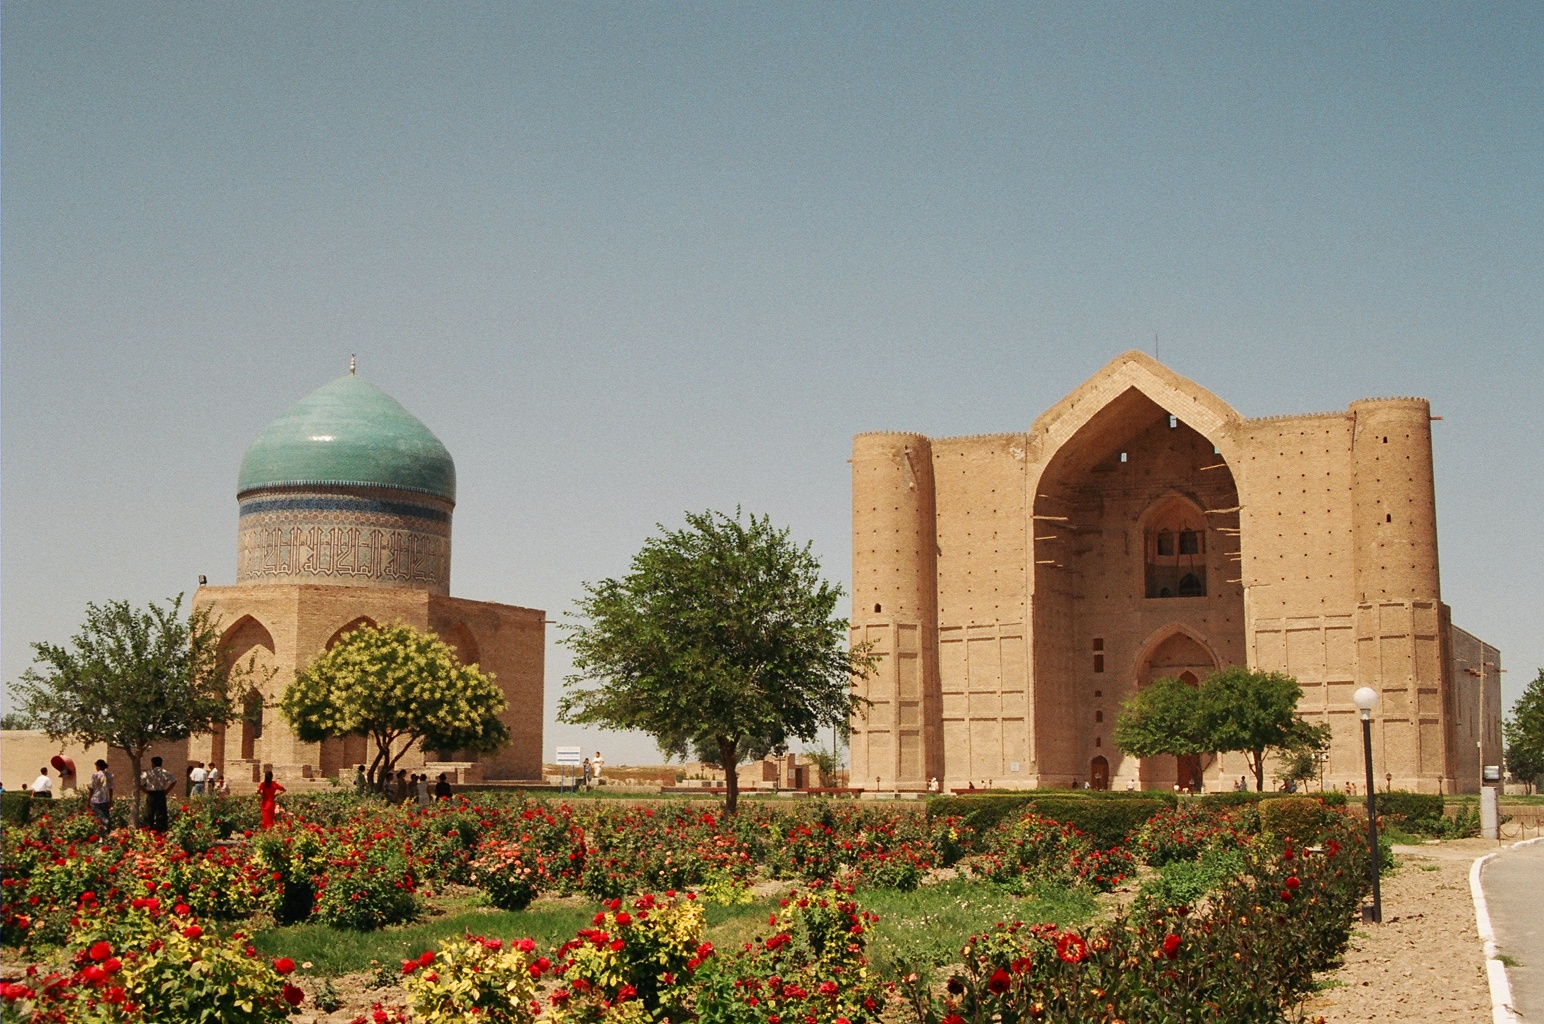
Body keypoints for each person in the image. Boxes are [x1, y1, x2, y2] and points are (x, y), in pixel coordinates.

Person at [139, 756, 176, 833]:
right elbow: (174, 781)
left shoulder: (148, 773)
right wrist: (167, 790)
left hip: (151, 793)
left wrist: (145, 791)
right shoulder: (165, 772)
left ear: (153, 763)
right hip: (161, 793)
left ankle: (148, 829)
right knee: (161, 812)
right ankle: (161, 830)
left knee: (149, 812)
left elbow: (140, 783)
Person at [88, 759, 114, 832]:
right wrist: (110, 800)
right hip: (105, 799)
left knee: (97, 818)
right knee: (106, 817)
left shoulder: (95, 775)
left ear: (98, 766)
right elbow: (111, 789)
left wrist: (88, 800)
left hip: (96, 799)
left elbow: (91, 789)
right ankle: (106, 832)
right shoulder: (110, 775)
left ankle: (100, 833)